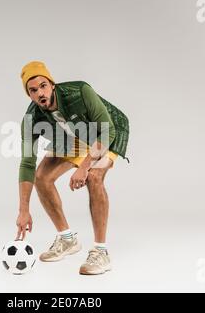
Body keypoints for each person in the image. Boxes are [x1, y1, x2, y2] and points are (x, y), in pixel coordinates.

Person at [15, 61, 129, 275]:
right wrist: (23, 210)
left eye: (43, 85)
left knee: (94, 176)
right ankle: (67, 239)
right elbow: (27, 163)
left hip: (108, 131)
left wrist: (84, 167)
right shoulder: (31, 117)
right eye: (33, 90)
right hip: (75, 134)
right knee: (42, 176)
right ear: (28, 94)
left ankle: (100, 252)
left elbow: (107, 131)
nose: (40, 92)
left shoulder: (80, 91)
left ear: (52, 84)